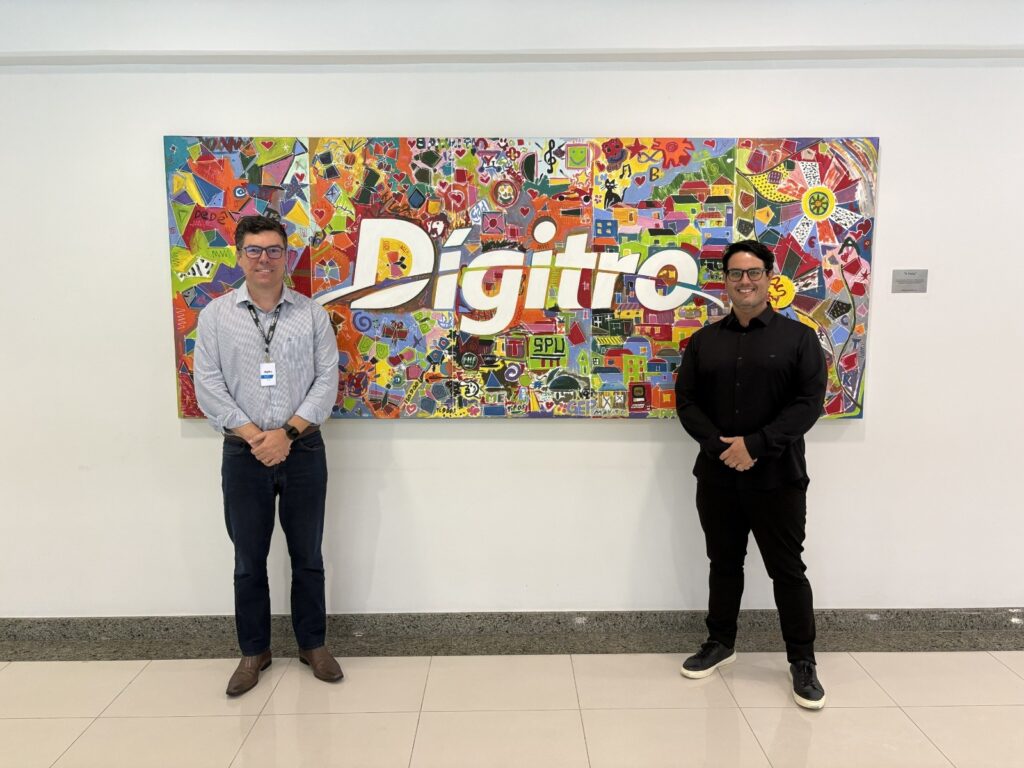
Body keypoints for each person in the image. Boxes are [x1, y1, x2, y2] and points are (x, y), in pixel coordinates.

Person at [674, 239, 828, 709]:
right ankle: (720, 643)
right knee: (723, 564)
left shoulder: (799, 339)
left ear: (769, 277)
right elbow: (687, 403)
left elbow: (808, 404)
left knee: (788, 570)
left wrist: (754, 446)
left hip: (779, 478)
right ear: (726, 280)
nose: (745, 281)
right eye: (736, 273)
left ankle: (802, 660)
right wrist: (724, 448)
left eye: (754, 272)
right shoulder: (704, 342)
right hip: (718, 477)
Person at [194, 214, 342, 696]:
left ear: (285, 257)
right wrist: (258, 436)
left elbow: (327, 382)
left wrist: (287, 434)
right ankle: (253, 651)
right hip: (244, 454)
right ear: (240, 256)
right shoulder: (215, 316)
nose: (264, 259)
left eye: (274, 250)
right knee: (248, 560)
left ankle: (312, 645)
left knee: (308, 556)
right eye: (255, 250)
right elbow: (208, 385)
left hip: (304, 451)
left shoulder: (312, 315)